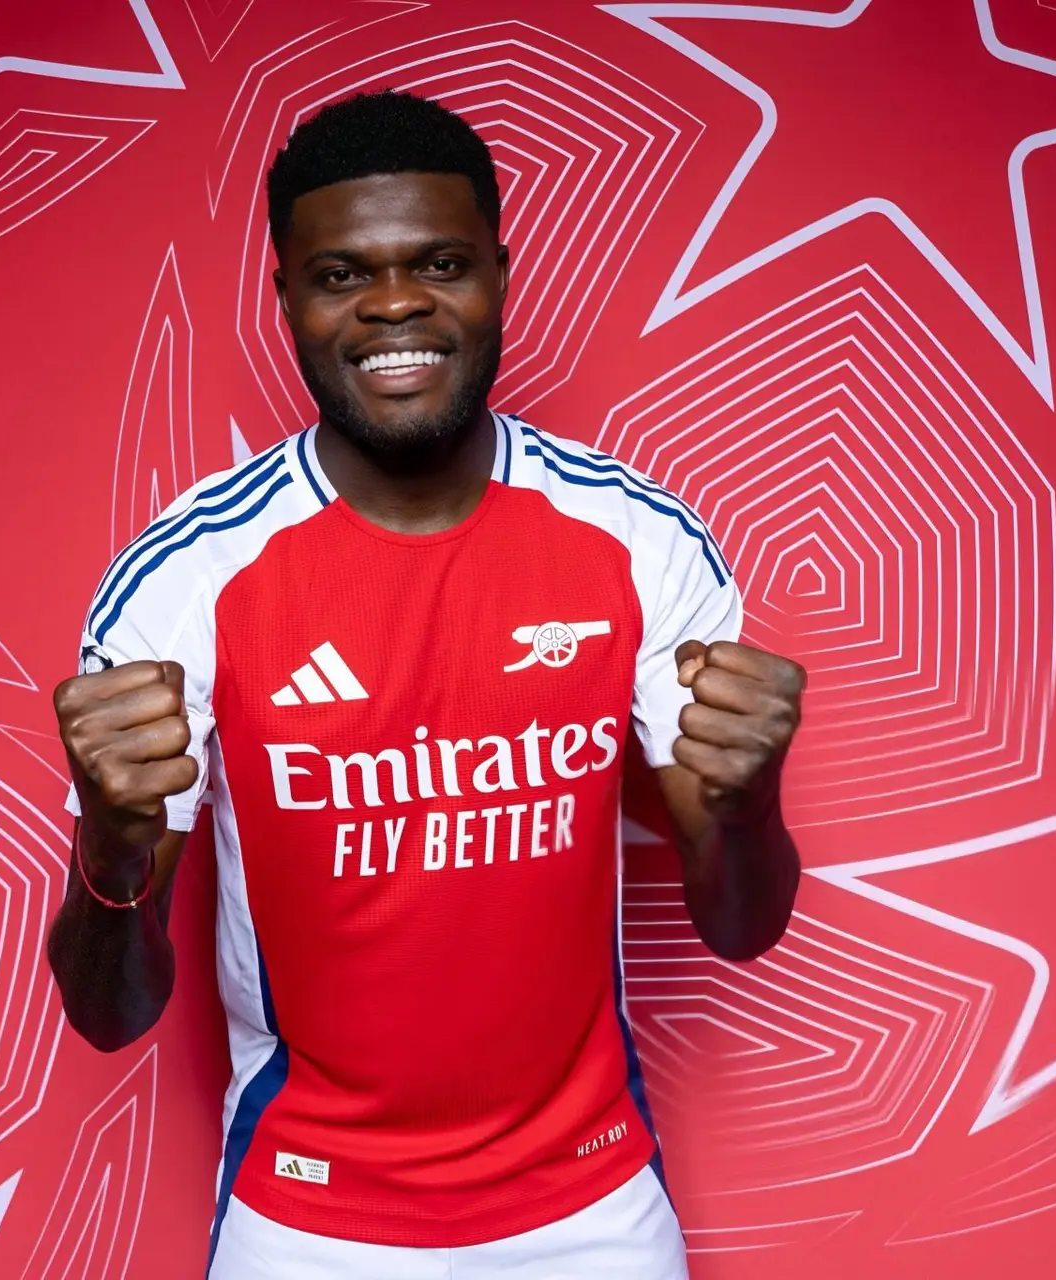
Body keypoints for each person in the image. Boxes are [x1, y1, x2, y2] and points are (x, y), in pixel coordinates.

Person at [48, 90, 806, 1280]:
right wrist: (110, 846)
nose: (395, 303)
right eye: (342, 274)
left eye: (440, 263)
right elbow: (111, 1013)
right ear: (286, 297)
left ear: (500, 274)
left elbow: (740, 925)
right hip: (306, 1216)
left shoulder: (637, 539)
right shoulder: (187, 578)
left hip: (593, 1201)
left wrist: (752, 805)